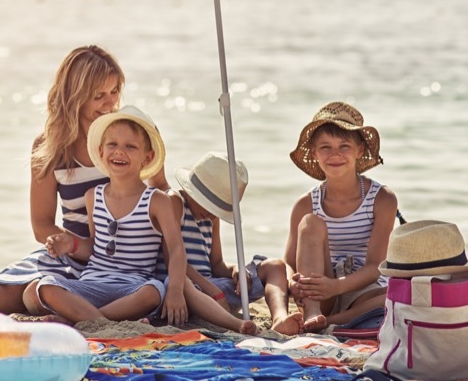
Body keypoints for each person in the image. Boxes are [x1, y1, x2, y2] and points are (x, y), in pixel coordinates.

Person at [0, 45, 164, 314]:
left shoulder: (131, 137)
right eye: (98, 96)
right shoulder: (49, 146)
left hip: (126, 261)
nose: (110, 103)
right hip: (72, 254)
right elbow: (41, 224)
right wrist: (74, 247)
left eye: (114, 91)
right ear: (74, 97)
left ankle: (83, 310)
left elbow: (161, 193)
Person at [26, 106, 188, 325]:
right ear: (101, 152)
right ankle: (104, 321)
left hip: (133, 286)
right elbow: (95, 246)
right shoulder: (93, 196)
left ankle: (82, 320)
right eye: (112, 144)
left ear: (147, 157)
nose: (119, 151)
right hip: (92, 283)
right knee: (44, 287)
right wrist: (71, 245)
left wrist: (176, 290)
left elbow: (176, 248)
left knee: (154, 291)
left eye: (130, 146)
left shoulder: (157, 201)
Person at [278, 101, 398, 334]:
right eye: (325, 147)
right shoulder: (306, 203)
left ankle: (335, 320)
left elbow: (375, 266)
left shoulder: (382, 199)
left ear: (360, 150)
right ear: (314, 153)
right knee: (310, 223)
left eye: (344, 146)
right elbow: (289, 263)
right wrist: (295, 282)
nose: (335, 154)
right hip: (319, 290)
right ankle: (314, 313)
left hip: (363, 290)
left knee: (399, 296)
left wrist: (336, 287)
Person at [169, 152, 291, 335]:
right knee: (184, 284)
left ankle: (280, 318)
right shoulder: (174, 203)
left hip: (211, 287)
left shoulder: (211, 218)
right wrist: (213, 291)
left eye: (219, 210)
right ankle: (233, 322)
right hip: (184, 286)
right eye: (210, 207)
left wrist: (236, 270)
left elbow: (217, 264)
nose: (213, 214)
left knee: (275, 266)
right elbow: (172, 257)